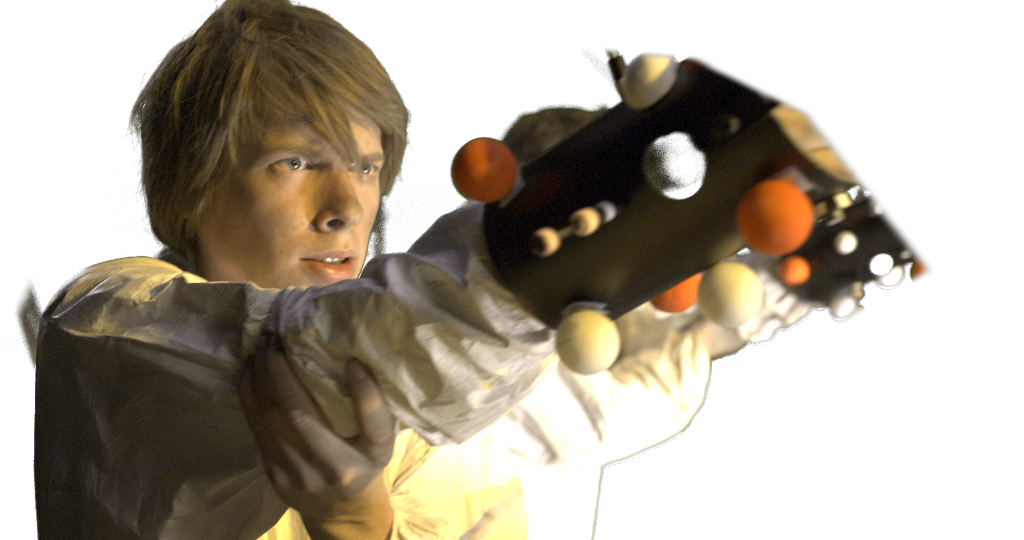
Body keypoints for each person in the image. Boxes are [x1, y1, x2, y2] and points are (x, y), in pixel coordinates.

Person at [33, 2, 813, 538]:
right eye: (295, 162)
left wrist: (365, 530)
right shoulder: (106, 321)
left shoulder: (450, 434)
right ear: (192, 185)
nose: (346, 208)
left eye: (366, 167)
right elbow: (309, 355)